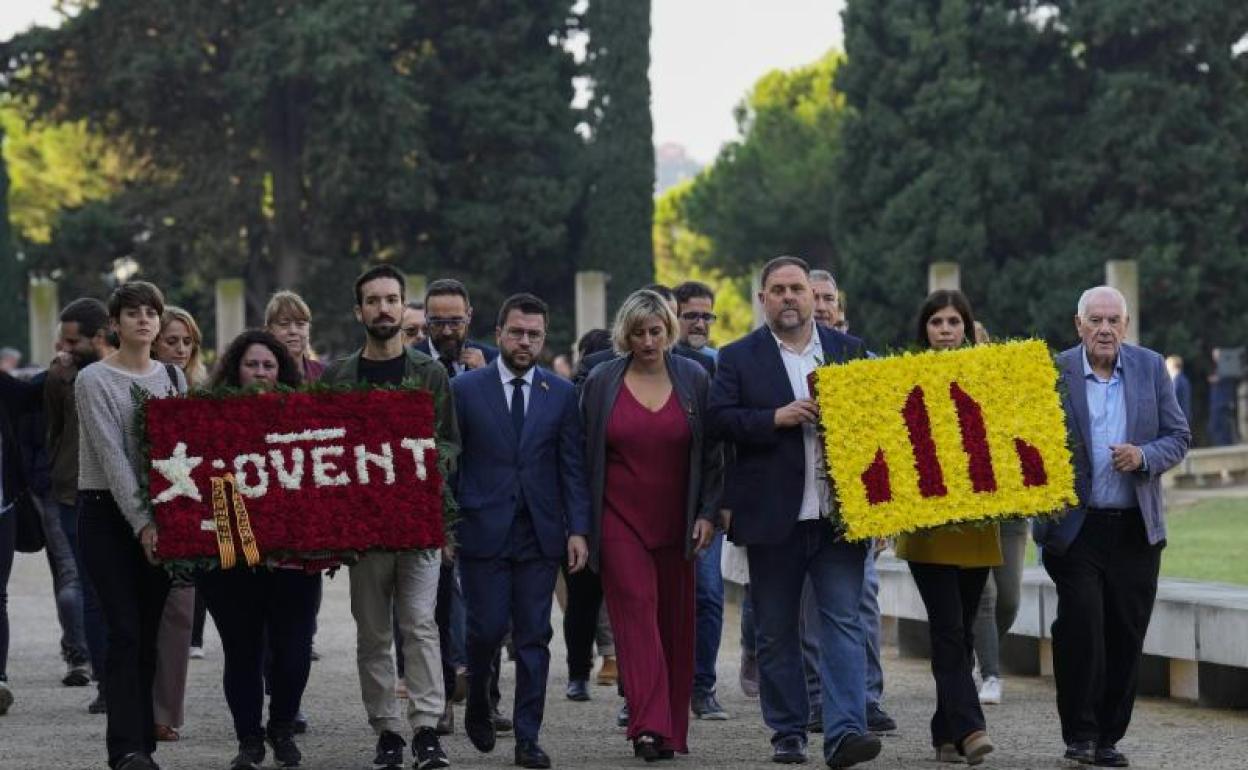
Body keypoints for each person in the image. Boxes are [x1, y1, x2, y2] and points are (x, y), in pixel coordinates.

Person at [708, 256, 880, 769]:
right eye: (778, 289)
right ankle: (787, 731)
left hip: (838, 518)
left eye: (797, 289)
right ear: (762, 298)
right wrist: (774, 419)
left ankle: (846, 731)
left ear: (814, 296)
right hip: (771, 517)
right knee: (777, 630)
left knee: (844, 624)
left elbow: (877, 432)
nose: (789, 297)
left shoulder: (849, 352)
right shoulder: (738, 357)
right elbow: (718, 422)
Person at [1033, 286, 1190, 768]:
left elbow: (1178, 436)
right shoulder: (1052, 370)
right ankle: (1079, 734)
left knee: (1125, 632)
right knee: (1081, 626)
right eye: (1095, 320)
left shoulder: (1149, 366)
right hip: (1075, 528)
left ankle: (1107, 737)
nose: (1104, 329)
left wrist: (1143, 456)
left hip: (1134, 530)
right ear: (1078, 325)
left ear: (1125, 325)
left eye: (1113, 320)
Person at [322, 264, 458, 770]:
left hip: (418, 521)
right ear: (359, 311)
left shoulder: (430, 374)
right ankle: (388, 732)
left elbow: (450, 442)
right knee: (374, 632)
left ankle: (426, 728)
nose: (383, 308)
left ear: (404, 308)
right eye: (373, 300)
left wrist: (419, 463)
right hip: (363, 528)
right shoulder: (338, 377)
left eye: (392, 299)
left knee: (421, 625)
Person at [582, 289, 723, 760]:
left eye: (656, 331)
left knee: (672, 623)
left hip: (677, 520)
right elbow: (584, 457)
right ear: (625, 334)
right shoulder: (602, 380)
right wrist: (581, 526)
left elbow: (714, 453)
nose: (647, 341)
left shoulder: (694, 378)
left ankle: (668, 728)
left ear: (670, 330)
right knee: (637, 613)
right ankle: (647, 725)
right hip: (618, 517)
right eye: (638, 333)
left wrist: (707, 513)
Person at [453, 293, 591, 768]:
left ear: (543, 338)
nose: (525, 341)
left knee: (534, 636)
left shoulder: (562, 393)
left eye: (534, 334)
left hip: (540, 533)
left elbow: (572, 467)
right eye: (516, 332)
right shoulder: (466, 390)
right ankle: (477, 701)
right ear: (498, 334)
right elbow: (450, 463)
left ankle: (529, 737)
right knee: (487, 628)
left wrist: (578, 530)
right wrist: (445, 524)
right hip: (481, 529)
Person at [76, 281, 187, 770]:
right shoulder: (94, 380)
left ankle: (144, 740)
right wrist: (144, 524)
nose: (143, 320)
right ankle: (124, 748)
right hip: (106, 514)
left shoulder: (174, 379)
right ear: (115, 323)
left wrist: (173, 520)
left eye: (151, 312)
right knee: (123, 630)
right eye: (133, 312)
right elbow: (114, 460)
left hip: (161, 516)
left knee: (147, 633)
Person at [196, 329, 317, 770]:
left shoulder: (306, 417)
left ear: (282, 371)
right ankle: (249, 740)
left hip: (292, 559)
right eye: (253, 365)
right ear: (235, 369)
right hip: (229, 556)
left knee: (294, 651)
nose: (261, 373)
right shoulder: (206, 416)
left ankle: (282, 727)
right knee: (242, 650)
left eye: (269, 365)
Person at [894, 290, 1000, 765]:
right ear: (925, 330)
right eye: (936, 322)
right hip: (928, 528)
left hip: (978, 529)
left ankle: (944, 732)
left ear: (966, 326)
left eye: (953, 321)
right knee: (949, 629)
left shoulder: (990, 378)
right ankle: (972, 726)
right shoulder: (903, 378)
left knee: (962, 632)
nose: (944, 330)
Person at [45, 297, 116, 712]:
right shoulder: (60, 377)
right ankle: (106, 683)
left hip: (123, 491)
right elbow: (53, 430)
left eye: (74, 342)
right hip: (74, 493)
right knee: (90, 592)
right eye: (64, 341)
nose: (65, 348)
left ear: (99, 336)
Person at [149, 307, 207, 743]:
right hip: (143, 505)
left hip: (185, 510)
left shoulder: (195, 386)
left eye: (188, 342)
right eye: (172, 341)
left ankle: (166, 712)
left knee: (180, 614)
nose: (181, 350)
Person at [561, 328, 618, 704]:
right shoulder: (584, 386)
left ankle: (587, 672)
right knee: (583, 597)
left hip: (622, 504)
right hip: (586, 505)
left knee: (595, 600)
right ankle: (579, 671)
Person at [265, 291, 325, 383]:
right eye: (284, 324)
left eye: (300, 324)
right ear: (269, 330)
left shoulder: (323, 373)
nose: (293, 331)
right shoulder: (262, 375)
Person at [1165, 356, 1194, 432]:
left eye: (1166, 365)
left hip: (1178, 419)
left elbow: (1171, 400)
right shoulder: (1183, 379)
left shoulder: (1177, 380)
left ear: (1172, 366)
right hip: (1183, 417)